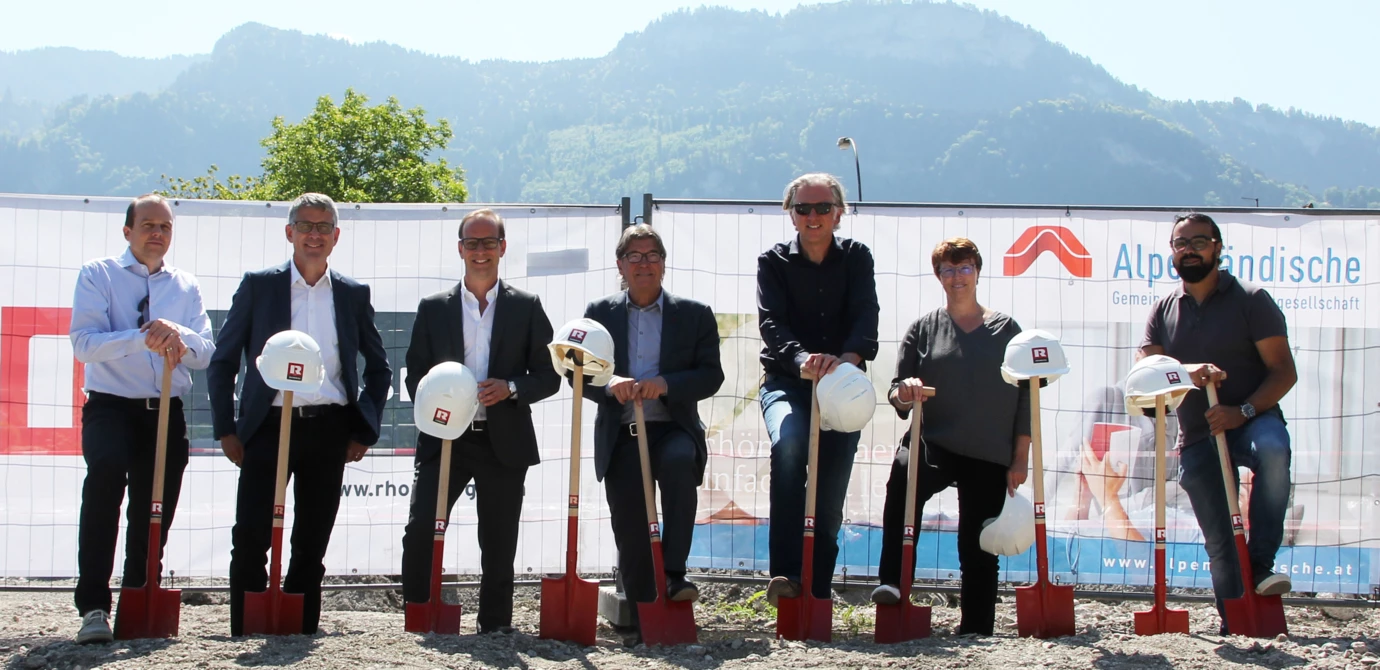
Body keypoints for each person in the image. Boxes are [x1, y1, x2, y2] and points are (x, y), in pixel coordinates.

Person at [208, 192, 391, 636]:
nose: (314, 234)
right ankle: (249, 624)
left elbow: (379, 367)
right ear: (289, 232)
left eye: (323, 226)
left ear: (336, 236)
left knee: (311, 539)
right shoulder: (259, 285)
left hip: (328, 428)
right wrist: (226, 431)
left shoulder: (351, 293)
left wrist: (363, 430)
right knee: (250, 535)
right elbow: (223, 360)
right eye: (305, 226)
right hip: (266, 428)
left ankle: (300, 626)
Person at [400, 209, 559, 634]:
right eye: (473, 243)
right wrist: (442, 399)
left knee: (499, 541)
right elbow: (415, 373)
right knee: (420, 531)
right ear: (460, 249)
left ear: (503, 248)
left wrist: (509, 387)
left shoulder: (526, 307)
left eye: (490, 242)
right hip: (445, 439)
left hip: (502, 440)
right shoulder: (434, 308)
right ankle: (419, 614)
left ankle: (494, 627)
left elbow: (548, 376)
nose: (481, 251)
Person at [1139, 212, 1298, 632]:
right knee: (1221, 541)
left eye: (1199, 242)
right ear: (1172, 252)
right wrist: (1187, 372)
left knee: (1273, 450)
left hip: (1252, 419)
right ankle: (1238, 621)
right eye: (1180, 243)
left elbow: (1284, 372)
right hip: (1198, 435)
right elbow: (1146, 373)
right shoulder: (1162, 310)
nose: (1189, 250)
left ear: (1218, 248)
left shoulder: (1251, 299)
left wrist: (1240, 411)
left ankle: (1262, 563)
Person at [69, 194, 215, 644]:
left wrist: (177, 334)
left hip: (164, 411)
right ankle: (94, 606)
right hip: (111, 405)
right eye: (149, 224)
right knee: (105, 485)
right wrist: (142, 337)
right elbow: (84, 343)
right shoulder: (98, 274)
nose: (157, 233)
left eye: (165, 227)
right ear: (127, 230)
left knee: (155, 509)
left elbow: (205, 353)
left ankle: (139, 595)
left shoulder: (185, 285)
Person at [870, 237, 1031, 636]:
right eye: (948, 269)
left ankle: (977, 628)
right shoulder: (923, 328)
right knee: (902, 485)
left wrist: (1020, 455)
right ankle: (892, 582)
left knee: (977, 544)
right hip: (933, 443)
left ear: (977, 271)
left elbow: (1026, 397)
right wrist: (904, 392)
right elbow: (896, 392)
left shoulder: (1007, 329)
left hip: (988, 451)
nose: (957, 277)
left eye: (964, 268)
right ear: (937, 275)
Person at [579, 224, 724, 644]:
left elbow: (711, 375)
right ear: (620, 265)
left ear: (664, 262)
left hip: (672, 426)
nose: (644, 264)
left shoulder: (694, 314)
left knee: (680, 465)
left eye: (652, 255)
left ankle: (675, 575)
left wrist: (667, 383)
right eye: (635, 256)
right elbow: (578, 375)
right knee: (629, 516)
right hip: (622, 431)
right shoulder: (599, 313)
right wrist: (610, 385)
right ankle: (644, 606)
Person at [757, 173, 880, 605]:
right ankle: (786, 577)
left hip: (843, 386)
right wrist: (802, 360)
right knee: (789, 447)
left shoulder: (858, 257)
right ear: (790, 214)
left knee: (829, 494)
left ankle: (818, 591)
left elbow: (867, 316)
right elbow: (771, 323)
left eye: (822, 207)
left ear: (839, 212)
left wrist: (846, 362)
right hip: (788, 384)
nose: (813, 217)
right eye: (803, 208)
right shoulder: (771, 262)